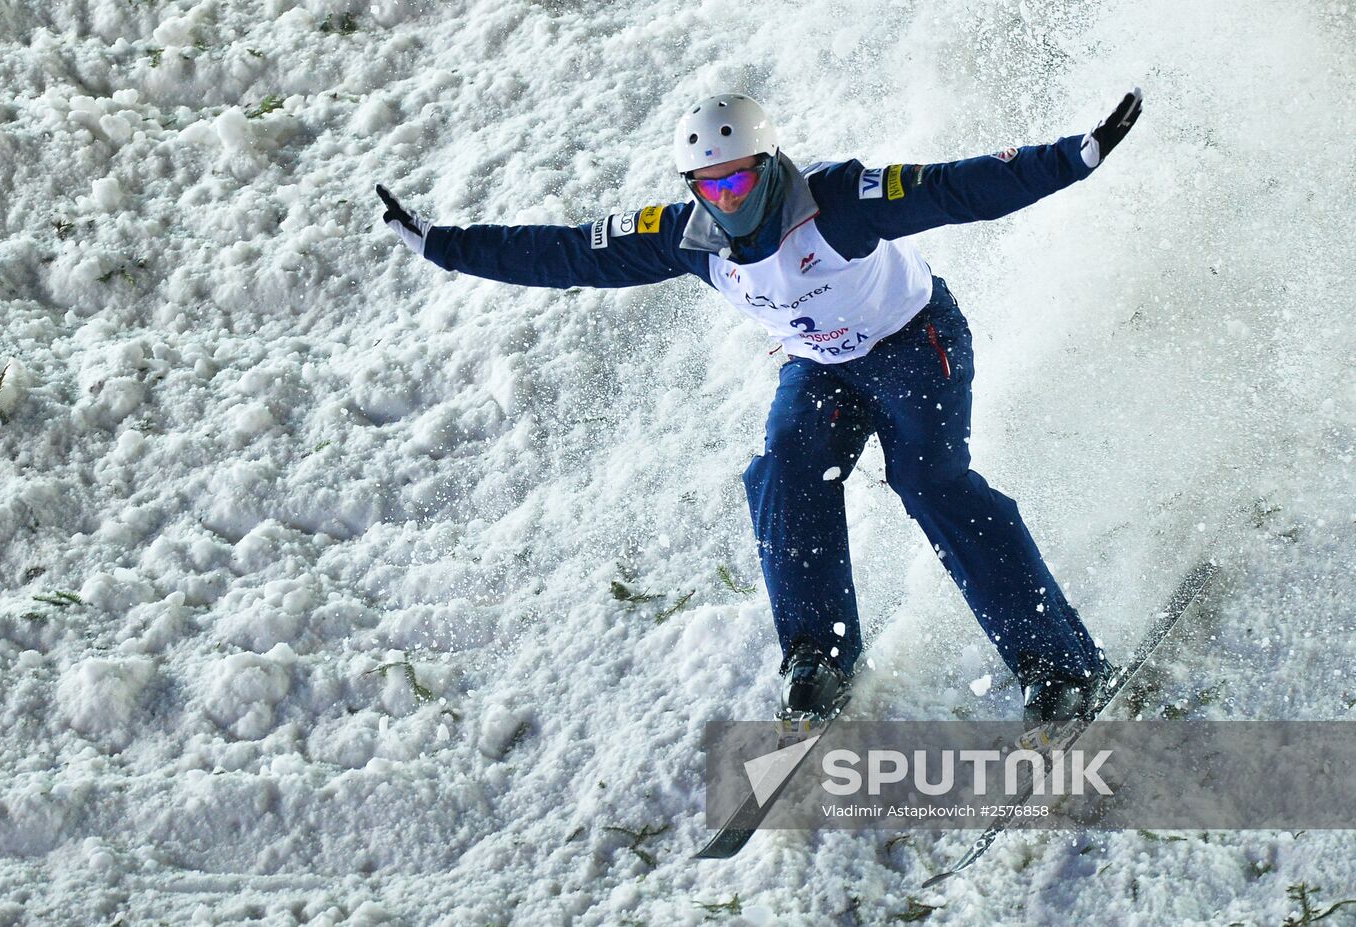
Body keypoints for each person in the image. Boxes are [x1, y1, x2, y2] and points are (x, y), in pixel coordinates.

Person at [376, 88, 1144, 740]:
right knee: (785, 466)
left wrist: (1073, 157)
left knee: (930, 482)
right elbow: (573, 253)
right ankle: (820, 656)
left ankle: (1061, 665)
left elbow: (953, 187)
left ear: (769, 167)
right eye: (708, 189)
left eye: (740, 185)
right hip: (820, 367)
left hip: (915, 343)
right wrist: (443, 244)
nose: (727, 203)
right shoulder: (689, 238)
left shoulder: (836, 200)